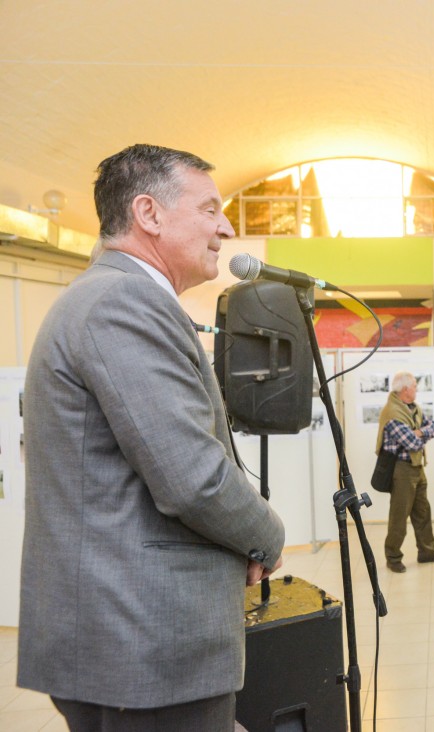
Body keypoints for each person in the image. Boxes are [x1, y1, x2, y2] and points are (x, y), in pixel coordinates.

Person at [18, 144, 286, 731]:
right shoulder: (124, 302)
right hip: (143, 644)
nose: (226, 226)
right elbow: (193, 479)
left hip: (129, 643)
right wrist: (266, 536)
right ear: (150, 214)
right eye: (210, 209)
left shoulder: (112, 299)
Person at [379, 372, 434, 572]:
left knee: (423, 512)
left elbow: (433, 427)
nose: (417, 389)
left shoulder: (414, 409)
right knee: (399, 516)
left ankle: (427, 551)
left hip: (417, 467)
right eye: (415, 387)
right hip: (401, 470)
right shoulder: (392, 413)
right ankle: (393, 557)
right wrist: (419, 433)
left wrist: (420, 432)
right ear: (405, 390)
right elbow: (412, 442)